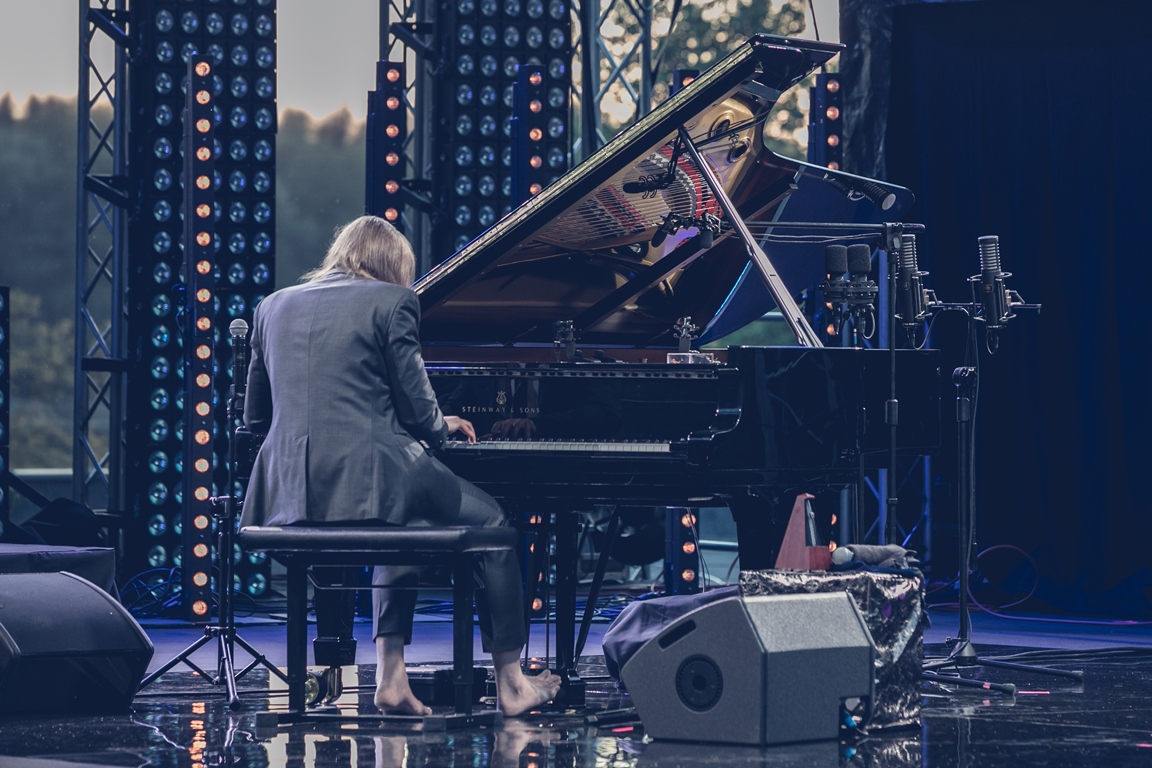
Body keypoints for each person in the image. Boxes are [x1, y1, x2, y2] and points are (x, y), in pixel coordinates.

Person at [240, 215, 561, 716]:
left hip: (284, 493)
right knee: (495, 522)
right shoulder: (393, 302)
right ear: (392, 264)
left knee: (403, 517)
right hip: (378, 476)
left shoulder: (271, 306)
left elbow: (254, 417)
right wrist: (445, 424)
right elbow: (419, 413)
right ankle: (514, 684)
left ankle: (392, 681)